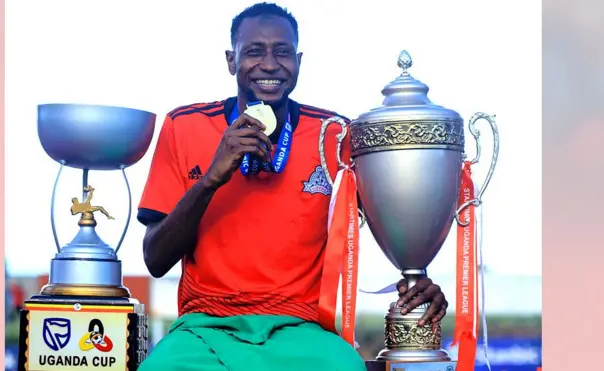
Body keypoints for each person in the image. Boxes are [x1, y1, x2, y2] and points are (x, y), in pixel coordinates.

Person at [137, 3, 448, 370]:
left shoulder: (334, 134)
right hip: (206, 328)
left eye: (282, 52)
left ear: (298, 60)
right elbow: (155, 260)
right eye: (254, 51)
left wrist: (417, 274)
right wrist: (212, 179)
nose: (270, 65)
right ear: (231, 61)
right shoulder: (184, 126)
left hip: (302, 331)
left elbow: (392, 215)